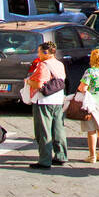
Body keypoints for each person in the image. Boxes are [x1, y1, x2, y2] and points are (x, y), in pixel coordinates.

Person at [25, 40, 68, 169]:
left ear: (45, 52)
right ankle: (61, 156)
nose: (38, 54)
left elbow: (39, 84)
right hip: (58, 99)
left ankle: (44, 160)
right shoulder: (60, 64)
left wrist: (28, 82)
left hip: (44, 100)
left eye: (39, 51)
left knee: (43, 131)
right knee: (58, 128)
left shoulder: (43, 65)